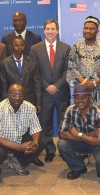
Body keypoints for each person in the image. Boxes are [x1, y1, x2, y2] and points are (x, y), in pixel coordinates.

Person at [0, 83, 45, 185]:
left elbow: (36, 128)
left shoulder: (29, 107)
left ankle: (17, 161)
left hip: (18, 139)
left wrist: (35, 143)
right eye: (14, 94)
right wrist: (19, 147)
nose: (17, 98)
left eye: (20, 95)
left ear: (24, 96)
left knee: (41, 142)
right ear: (8, 95)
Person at [0, 36, 44, 167]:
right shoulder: (4, 63)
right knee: (14, 129)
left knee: (30, 130)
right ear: (11, 47)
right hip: (11, 102)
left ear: (25, 46)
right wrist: (5, 104)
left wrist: (39, 102)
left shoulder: (32, 61)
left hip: (29, 102)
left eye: (21, 45)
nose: (19, 48)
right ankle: (14, 152)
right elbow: (3, 85)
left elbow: (37, 83)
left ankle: (31, 155)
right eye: (16, 45)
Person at [30, 19, 71, 163]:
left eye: (53, 29)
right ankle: (49, 149)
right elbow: (35, 71)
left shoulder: (66, 48)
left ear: (57, 31)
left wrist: (57, 85)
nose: (50, 31)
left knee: (63, 122)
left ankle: (64, 149)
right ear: (44, 30)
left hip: (61, 92)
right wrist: (47, 85)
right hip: (44, 92)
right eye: (47, 29)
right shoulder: (35, 48)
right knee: (45, 122)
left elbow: (68, 70)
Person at [57, 85, 100, 180]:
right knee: (61, 143)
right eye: (77, 97)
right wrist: (89, 135)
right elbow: (62, 134)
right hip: (82, 142)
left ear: (90, 98)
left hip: (97, 145)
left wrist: (79, 134)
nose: (80, 100)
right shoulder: (70, 110)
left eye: (84, 97)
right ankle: (79, 167)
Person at [67, 16, 100, 113]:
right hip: (81, 91)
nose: (88, 31)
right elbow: (71, 66)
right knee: (81, 120)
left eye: (91, 29)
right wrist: (83, 82)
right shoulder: (76, 46)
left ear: (97, 31)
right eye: (86, 28)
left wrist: (94, 83)